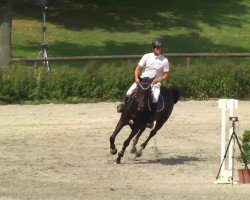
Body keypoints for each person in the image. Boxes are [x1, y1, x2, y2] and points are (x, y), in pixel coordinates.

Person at [117, 38, 170, 128]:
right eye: (157, 48)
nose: (159, 49)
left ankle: (150, 119)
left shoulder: (164, 60)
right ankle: (124, 107)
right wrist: (137, 78)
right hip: (143, 81)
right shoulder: (146, 56)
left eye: (160, 48)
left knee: (155, 99)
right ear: (153, 48)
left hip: (154, 83)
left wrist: (158, 80)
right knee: (129, 92)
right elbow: (138, 68)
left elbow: (166, 74)